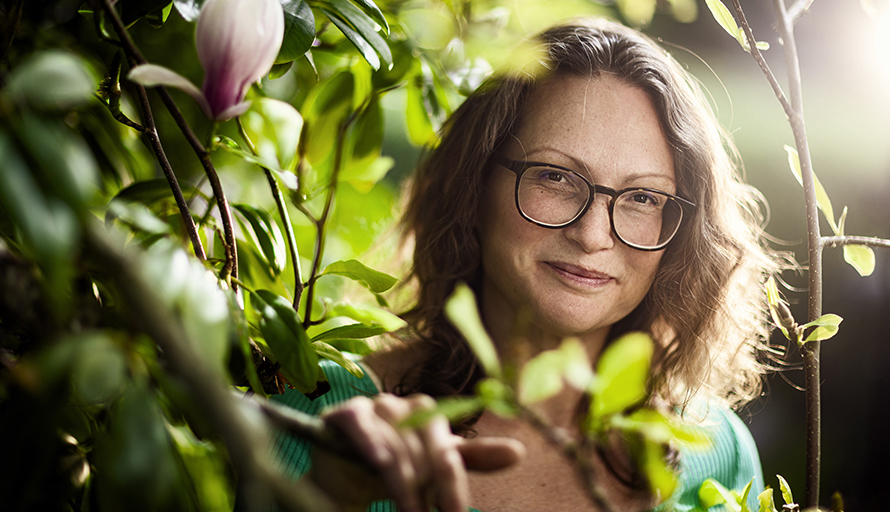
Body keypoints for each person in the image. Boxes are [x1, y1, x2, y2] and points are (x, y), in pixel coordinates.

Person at [268, 17, 778, 512]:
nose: (593, 235)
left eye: (643, 197)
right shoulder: (321, 422)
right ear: (473, 185)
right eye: (555, 177)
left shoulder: (718, 453)